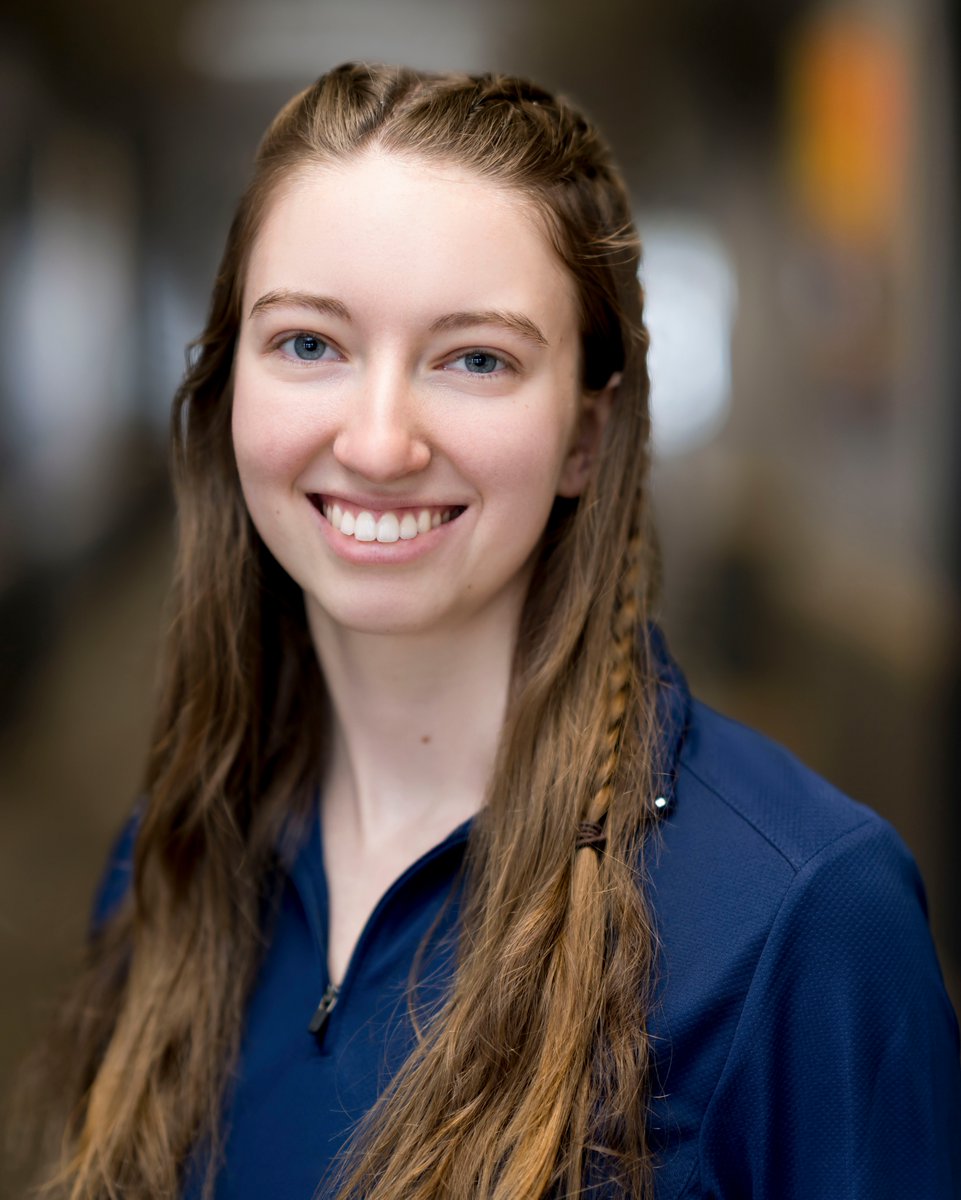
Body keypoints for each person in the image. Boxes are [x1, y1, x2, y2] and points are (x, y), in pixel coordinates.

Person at [28, 63, 960, 1199]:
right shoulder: (169, 859)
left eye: (476, 358)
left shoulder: (804, 921)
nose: (378, 442)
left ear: (584, 434)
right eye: (309, 344)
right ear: (231, 391)